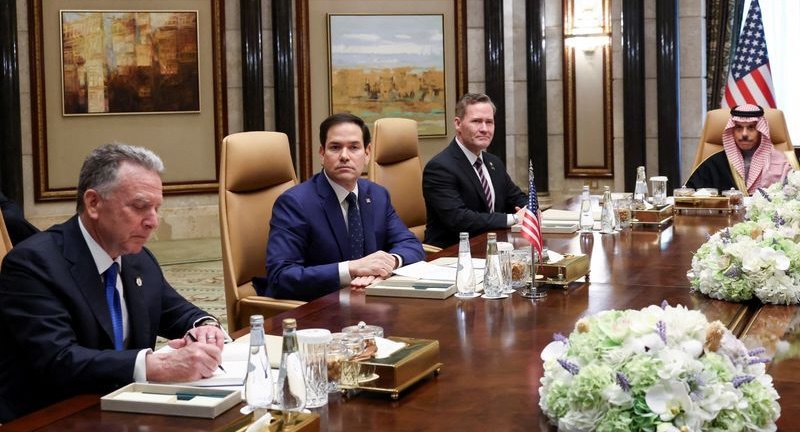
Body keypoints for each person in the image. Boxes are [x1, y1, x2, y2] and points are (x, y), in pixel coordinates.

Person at [0, 144, 227, 422]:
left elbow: (174, 309)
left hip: (126, 411)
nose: (153, 222)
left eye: (157, 208)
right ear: (93, 203)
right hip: (54, 416)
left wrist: (204, 326)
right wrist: (153, 364)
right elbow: (58, 359)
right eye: (141, 207)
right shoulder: (33, 264)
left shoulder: (137, 258)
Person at [254, 113, 425, 302]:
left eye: (354, 147)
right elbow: (281, 277)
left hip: (369, 302)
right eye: (335, 148)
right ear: (322, 154)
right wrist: (351, 269)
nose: (344, 156)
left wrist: (389, 262)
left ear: (367, 153)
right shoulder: (295, 203)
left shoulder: (377, 195)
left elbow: (412, 246)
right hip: (317, 309)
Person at [422, 93, 528, 248]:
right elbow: (459, 219)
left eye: (489, 122)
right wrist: (513, 218)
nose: (484, 129)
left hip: (492, 246)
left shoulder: (494, 163)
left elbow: (516, 197)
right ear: (458, 124)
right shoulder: (440, 168)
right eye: (477, 121)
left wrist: (530, 210)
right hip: (452, 254)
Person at [686, 104, 792, 194]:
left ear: (761, 131)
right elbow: (689, 195)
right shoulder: (713, 164)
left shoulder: (782, 163)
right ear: (732, 130)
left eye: (751, 128)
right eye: (739, 128)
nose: (744, 134)